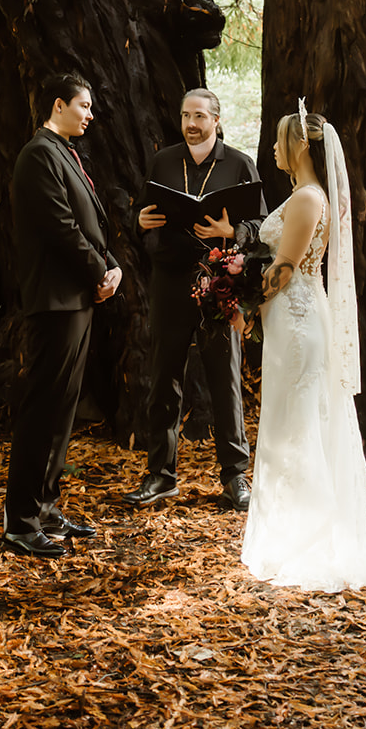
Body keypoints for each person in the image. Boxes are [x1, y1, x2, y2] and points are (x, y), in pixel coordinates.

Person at [236, 105, 366, 595]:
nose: (272, 148)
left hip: (297, 317)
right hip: (290, 317)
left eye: (278, 140)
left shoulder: (309, 198)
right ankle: (292, 530)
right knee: (291, 419)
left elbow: (283, 269)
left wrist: (241, 301)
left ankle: (309, 537)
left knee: (299, 423)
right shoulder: (302, 195)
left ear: (302, 145)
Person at [125, 88, 263, 513]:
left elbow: (262, 225)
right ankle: (160, 475)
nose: (190, 123)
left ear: (216, 120)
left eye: (199, 116)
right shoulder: (164, 161)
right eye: (185, 115)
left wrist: (231, 232)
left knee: (224, 378)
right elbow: (144, 213)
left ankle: (235, 476)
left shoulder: (240, 164)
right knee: (164, 376)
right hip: (169, 280)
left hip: (218, 281)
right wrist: (140, 220)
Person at [3, 72, 122, 559]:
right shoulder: (38, 155)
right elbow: (60, 225)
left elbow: (90, 221)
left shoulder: (64, 153)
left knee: (64, 408)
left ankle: (46, 506)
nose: (90, 115)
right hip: (54, 300)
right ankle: (21, 521)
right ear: (58, 104)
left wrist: (109, 265)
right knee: (42, 409)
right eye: (84, 105)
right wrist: (98, 271)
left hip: (76, 298)